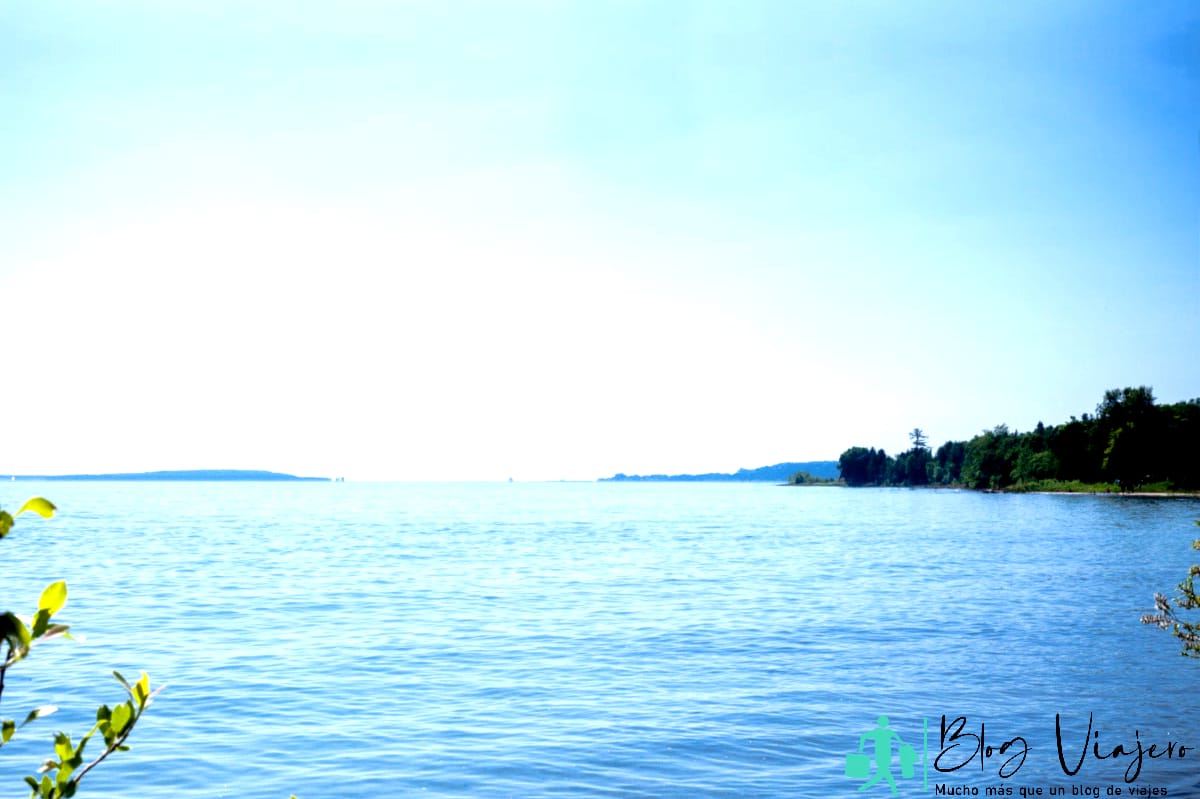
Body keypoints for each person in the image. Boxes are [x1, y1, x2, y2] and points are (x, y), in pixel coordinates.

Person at [858, 715, 906, 794]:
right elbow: (900, 742)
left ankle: (863, 787)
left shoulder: (876, 732)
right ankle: (895, 792)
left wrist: (861, 749)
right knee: (885, 774)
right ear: (887, 723)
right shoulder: (889, 732)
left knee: (881, 775)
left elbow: (863, 737)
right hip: (886, 757)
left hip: (879, 757)